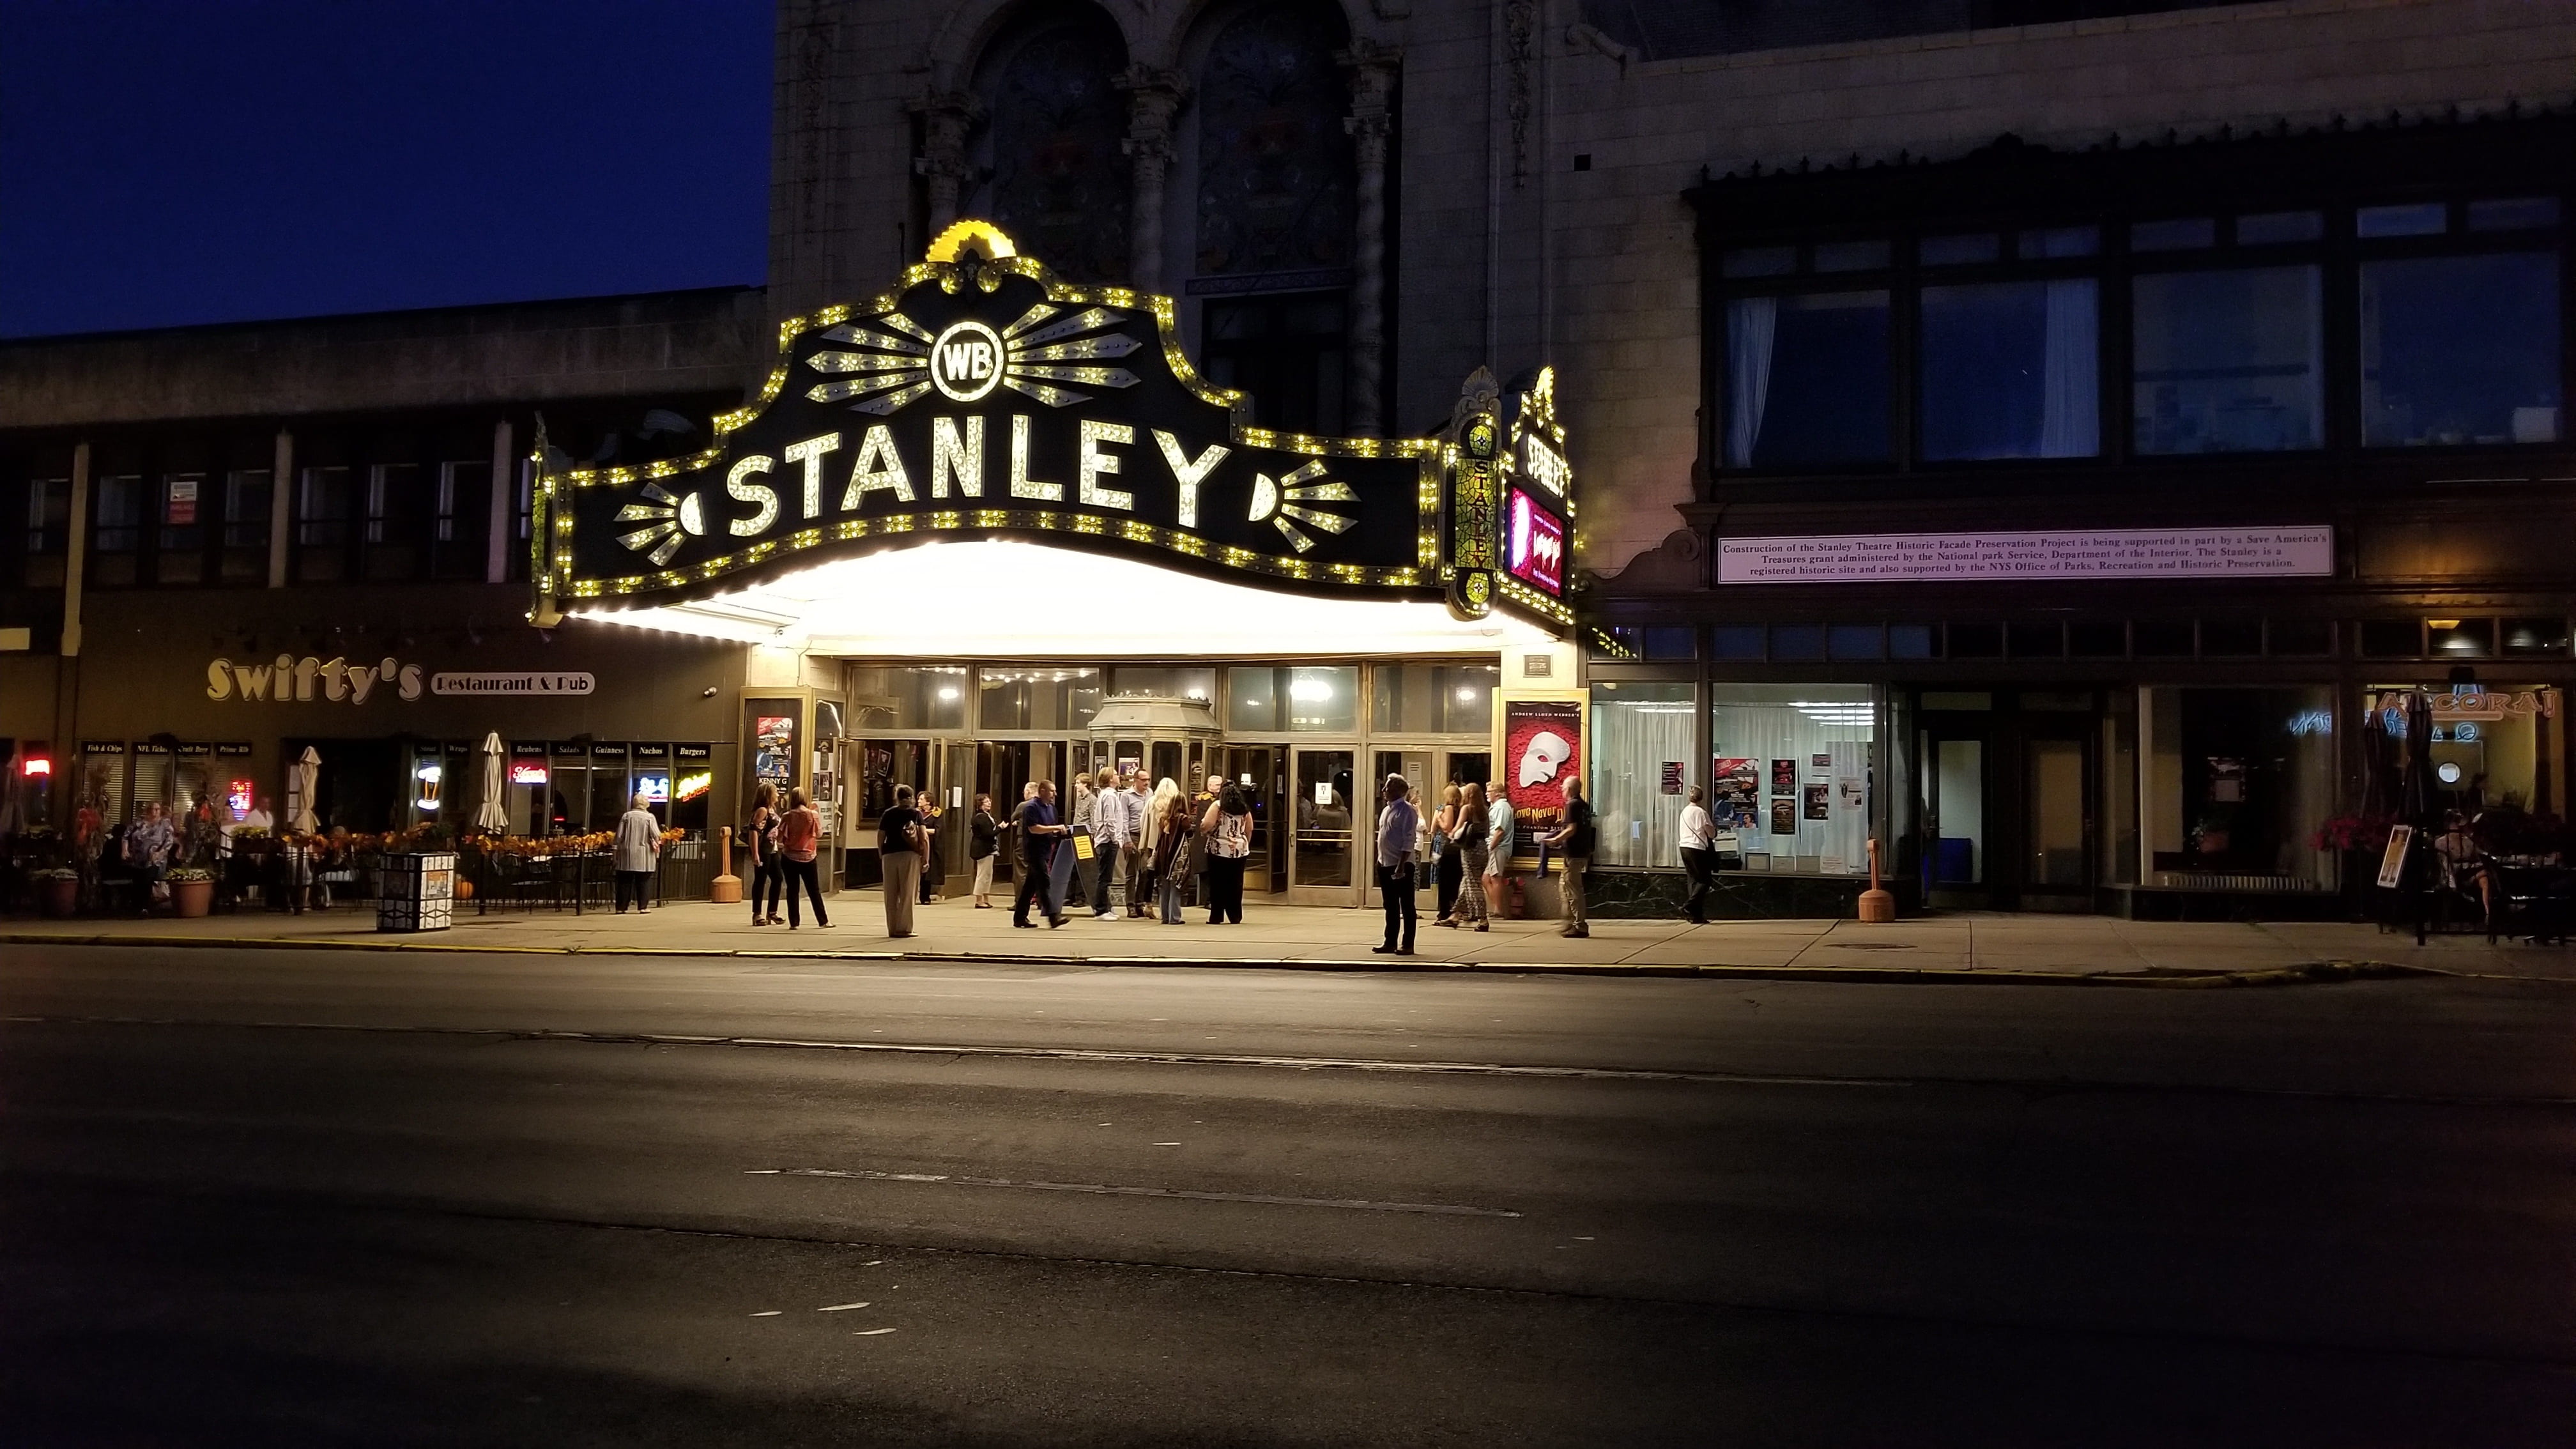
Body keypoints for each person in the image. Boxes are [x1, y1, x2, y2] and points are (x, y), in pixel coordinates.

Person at [1542, 776, 1596, 939]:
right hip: (1581, 852)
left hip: (1573, 854)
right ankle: (1570, 921)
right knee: (1566, 887)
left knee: (1573, 890)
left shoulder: (1572, 805)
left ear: (1570, 790)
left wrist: (1556, 839)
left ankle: (1579, 925)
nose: (1561, 790)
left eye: (1563, 787)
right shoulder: (1583, 805)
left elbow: (1572, 829)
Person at [1012, 779, 1071, 928]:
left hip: (1046, 850)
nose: (1055, 794)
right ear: (1043, 791)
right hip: (1034, 851)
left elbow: (1050, 828)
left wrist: (1060, 833)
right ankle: (1053, 917)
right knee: (1044, 883)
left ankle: (1019, 917)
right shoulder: (1031, 807)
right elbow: (1034, 828)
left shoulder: (1051, 808)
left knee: (1030, 885)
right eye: (1052, 791)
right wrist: (1054, 828)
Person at [1374, 773, 1421, 954]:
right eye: (1385, 787)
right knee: (1390, 905)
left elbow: (1409, 839)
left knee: (1407, 905)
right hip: (1384, 863)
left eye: (1389, 788)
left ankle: (1408, 944)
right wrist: (1380, 861)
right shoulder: (1387, 810)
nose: (1384, 791)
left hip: (1400, 865)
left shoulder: (1407, 811)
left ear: (1400, 791)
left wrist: (1401, 865)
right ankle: (1390, 941)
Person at [1200, 782, 1252, 924]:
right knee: (1236, 883)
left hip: (1219, 848)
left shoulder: (1218, 805)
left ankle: (1216, 916)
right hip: (1240, 850)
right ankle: (1235, 916)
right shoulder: (1244, 808)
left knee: (1218, 883)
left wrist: (1204, 830)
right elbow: (1249, 828)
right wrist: (1244, 843)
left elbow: (1207, 824)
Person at [778, 786, 829, 929]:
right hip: (809, 856)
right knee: (814, 890)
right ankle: (823, 920)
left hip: (789, 857)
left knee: (792, 890)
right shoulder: (813, 815)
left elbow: (780, 838)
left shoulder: (787, 816)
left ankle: (794, 923)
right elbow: (819, 834)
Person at [878, 783, 923, 937]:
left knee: (890, 893)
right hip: (909, 855)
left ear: (897, 797)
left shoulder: (888, 813)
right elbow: (923, 837)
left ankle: (892, 927)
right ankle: (904, 928)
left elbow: (881, 835)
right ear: (911, 797)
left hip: (890, 854)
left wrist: (881, 852)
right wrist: (924, 856)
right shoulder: (916, 814)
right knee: (907, 892)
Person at [1445, 783, 1490, 931]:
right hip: (1482, 847)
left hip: (1469, 848)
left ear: (1468, 794)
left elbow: (1457, 828)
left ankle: (1483, 919)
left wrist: (1450, 834)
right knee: (1467, 881)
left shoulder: (1467, 809)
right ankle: (1456, 916)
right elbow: (1488, 832)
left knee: (1473, 884)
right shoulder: (1484, 810)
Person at [1089, 768, 1131, 919]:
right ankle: (1101, 910)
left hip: (1106, 840)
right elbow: (1110, 820)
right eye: (1115, 774)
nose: (1118, 776)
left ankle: (1106, 907)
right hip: (1107, 841)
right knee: (1105, 877)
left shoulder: (1109, 795)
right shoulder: (1109, 796)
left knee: (1105, 876)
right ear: (1109, 779)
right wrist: (1115, 838)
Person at [1150, 778, 1192, 924]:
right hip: (1177, 856)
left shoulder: (1164, 818)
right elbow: (1190, 833)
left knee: (1164, 886)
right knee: (1176, 886)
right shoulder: (1184, 819)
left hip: (1163, 855)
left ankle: (1165, 917)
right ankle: (1175, 917)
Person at [613, 792, 663, 914]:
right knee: (643, 881)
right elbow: (656, 835)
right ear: (646, 804)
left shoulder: (626, 816)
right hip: (644, 854)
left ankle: (621, 907)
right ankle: (643, 907)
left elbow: (619, 836)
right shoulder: (649, 817)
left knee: (624, 881)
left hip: (627, 853)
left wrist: (618, 846)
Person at [125, 800, 176, 909]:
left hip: (155, 858)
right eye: (152, 809)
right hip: (137, 857)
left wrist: (160, 853)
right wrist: (124, 850)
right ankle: (136, 906)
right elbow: (126, 836)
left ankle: (144, 907)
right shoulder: (139, 822)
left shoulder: (164, 824)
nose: (154, 812)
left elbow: (169, 842)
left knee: (147, 878)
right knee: (137, 880)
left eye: (157, 809)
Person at [1677, 784, 1717, 925]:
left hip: (1684, 847)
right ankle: (1688, 907)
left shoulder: (1684, 812)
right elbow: (1711, 833)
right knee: (1705, 881)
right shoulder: (1701, 812)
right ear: (1701, 798)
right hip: (1697, 849)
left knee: (1693, 881)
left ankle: (1696, 916)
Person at [746, 784, 785, 925]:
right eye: (775, 792)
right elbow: (754, 831)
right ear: (768, 795)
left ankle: (772, 912)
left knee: (778, 878)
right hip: (763, 849)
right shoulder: (762, 811)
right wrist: (755, 853)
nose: (778, 795)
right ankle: (757, 914)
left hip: (772, 849)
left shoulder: (772, 810)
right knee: (760, 880)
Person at [1430, 782, 1463, 925]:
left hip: (1448, 848)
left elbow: (1447, 827)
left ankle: (1444, 912)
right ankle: (1452, 911)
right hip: (1457, 848)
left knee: (1445, 881)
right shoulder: (1461, 809)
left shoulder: (1449, 808)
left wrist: (1439, 819)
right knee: (1454, 881)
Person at [1485, 782, 1516, 922]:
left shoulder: (1502, 807)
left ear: (1498, 793)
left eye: (1489, 791)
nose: (1487, 793)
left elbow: (1500, 830)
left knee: (1495, 878)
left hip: (1498, 847)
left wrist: (1492, 846)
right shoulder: (1497, 807)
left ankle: (1499, 910)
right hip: (1494, 847)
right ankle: (1498, 908)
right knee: (1486, 879)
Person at [1068, 774, 1098, 913]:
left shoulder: (1092, 800)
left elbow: (1093, 818)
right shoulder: (1078, 799)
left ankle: (1081, 897)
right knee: (1074, 866)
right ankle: (1071, 895)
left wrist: (1093, 835)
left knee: (1083, 866)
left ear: (1086, 784)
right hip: (1076, 833)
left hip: (1086, 835)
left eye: (1078, 783)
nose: (1076, 785)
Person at [969, 793, 1000, 908]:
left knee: (988, 874)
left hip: (988, 849)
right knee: (982, 874)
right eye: (986, 802)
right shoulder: (981, 817)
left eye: (989, 801)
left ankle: (986, 897)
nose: (989, 803)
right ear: (980, 804)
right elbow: (988, 834)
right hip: (982, 849)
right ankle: (979, 900)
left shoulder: (986, 815)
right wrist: (1000, 828)